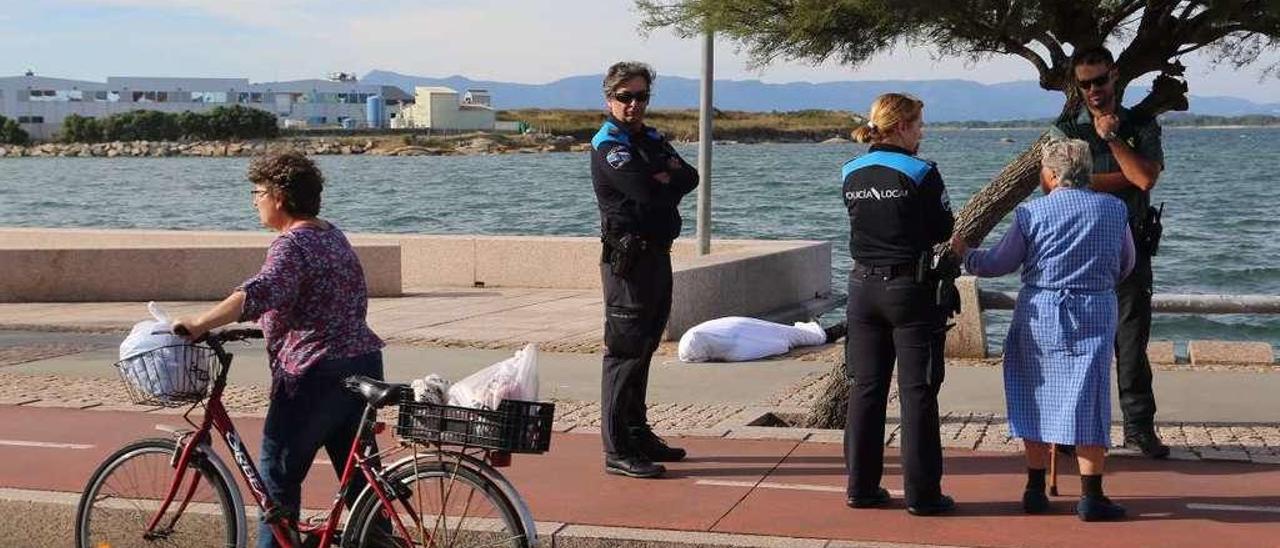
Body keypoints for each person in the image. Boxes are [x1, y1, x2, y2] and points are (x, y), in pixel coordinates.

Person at [173, 150, 385, 547]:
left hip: (316, 374)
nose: (254, 200)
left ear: (279, 197)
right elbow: (313, 300)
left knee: (276, 479)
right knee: (359, 482)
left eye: (257, 192)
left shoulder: (292, 245)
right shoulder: (332, 234)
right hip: (362, 364)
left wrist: (199, 323)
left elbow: (260, 290)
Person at [952, 138, 1134, 522]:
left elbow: (998, 263)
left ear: (1051, 175)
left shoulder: (1031, 214)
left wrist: (965, 254)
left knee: (1031, 393)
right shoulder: (1115, 210)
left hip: (1040, 311)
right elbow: (1126, 264)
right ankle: (1091, 494)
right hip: (1094, 309)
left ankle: (1034, 488)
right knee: (1090, 395)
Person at [1050, 46, 1169, 459]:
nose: (1094, 90)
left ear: (1114, 76)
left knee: (1132, 343)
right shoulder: (1065, 129)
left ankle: (1139, 428)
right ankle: (1070, 429)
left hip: (1131, 244)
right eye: (1085, 84)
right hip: (1080, 250)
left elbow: (1145, 177)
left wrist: (1112, 139)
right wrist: (1122, 179)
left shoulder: (1140, 123)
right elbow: (1053, 186)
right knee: (1078, 343)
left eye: (1100, 80)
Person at [841, 93, 955, 515]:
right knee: (918, 392)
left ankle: (860, 487)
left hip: (861, 287)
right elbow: (943, 227)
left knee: (866, 390)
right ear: (903, 126)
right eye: (919, 124)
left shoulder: (850, 171)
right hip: (909, 289)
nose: (922, 132)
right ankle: (923, 495)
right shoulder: (921, 172)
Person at [591, 61, 699, 479]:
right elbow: (642, 190)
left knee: (646, 349)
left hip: (658, 255)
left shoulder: (650, 138)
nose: (634, 104)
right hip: (628, 263)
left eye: (641, 96)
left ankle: (638, 433)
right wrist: (661, 178)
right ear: (610, 99)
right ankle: (617, 448)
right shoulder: (609, 143)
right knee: (623, 354)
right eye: (625, 97)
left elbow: (689, 177)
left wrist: (664, 176)